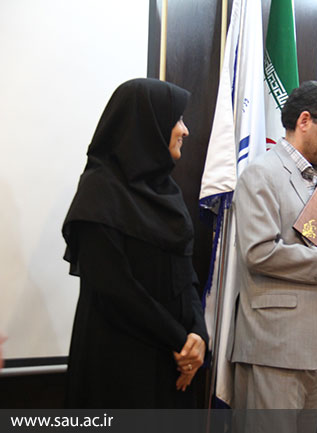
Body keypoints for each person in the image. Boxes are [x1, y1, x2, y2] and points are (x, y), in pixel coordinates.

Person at [62, 78, 208, 408]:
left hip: (175, 362)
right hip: (120, 365)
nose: (184, 130)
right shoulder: (99, 192)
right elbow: (115, 288)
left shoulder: (167, 192)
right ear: (147, 124)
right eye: (176, 119)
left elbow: (186, 275)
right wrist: (180, 340)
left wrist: (198, 335)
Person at [228, 81, 317, 419]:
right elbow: (259, 253)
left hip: (315, 348)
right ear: (304, 120)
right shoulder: (262, 174)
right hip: (274, 346)